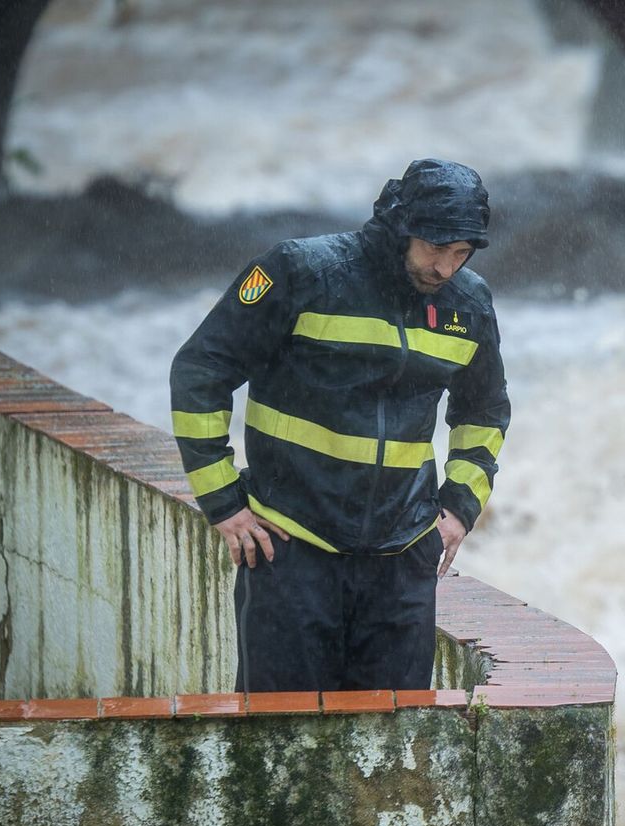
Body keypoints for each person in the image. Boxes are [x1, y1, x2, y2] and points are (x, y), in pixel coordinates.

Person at [169, 158, 510, 692]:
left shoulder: (470, 303)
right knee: (281, 741)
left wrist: (460, 508)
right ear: (401, 229)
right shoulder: (301, 273)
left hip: (402, 560)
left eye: (461, 254)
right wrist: (224, 503)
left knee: (397, 744)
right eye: (435, 249)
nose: (446, 269)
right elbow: (200, 371)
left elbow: (483, 411)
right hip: (290, 548)